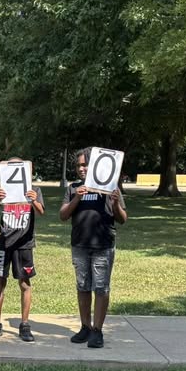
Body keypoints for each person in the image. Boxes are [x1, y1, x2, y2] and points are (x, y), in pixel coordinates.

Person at [58, 147, 127, 348]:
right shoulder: (73, 188)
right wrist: (77, 197)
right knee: (83, 287)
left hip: (103, 245)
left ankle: (97, 330)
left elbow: (122, 219)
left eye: (85, 164)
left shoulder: (110, 188)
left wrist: (114, 204)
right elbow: (63, 216)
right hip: (79, 244)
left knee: (101, 288)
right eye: (79, 165)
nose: (82, 169)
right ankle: (85, 326)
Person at [0, 160, 45, 342]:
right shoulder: (4, 189)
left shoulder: (34, 190)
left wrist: (34, 200)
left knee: (24, 284)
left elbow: (41, 212)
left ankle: (25, 325)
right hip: (3, 242)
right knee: (0, 282)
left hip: (24, 243)